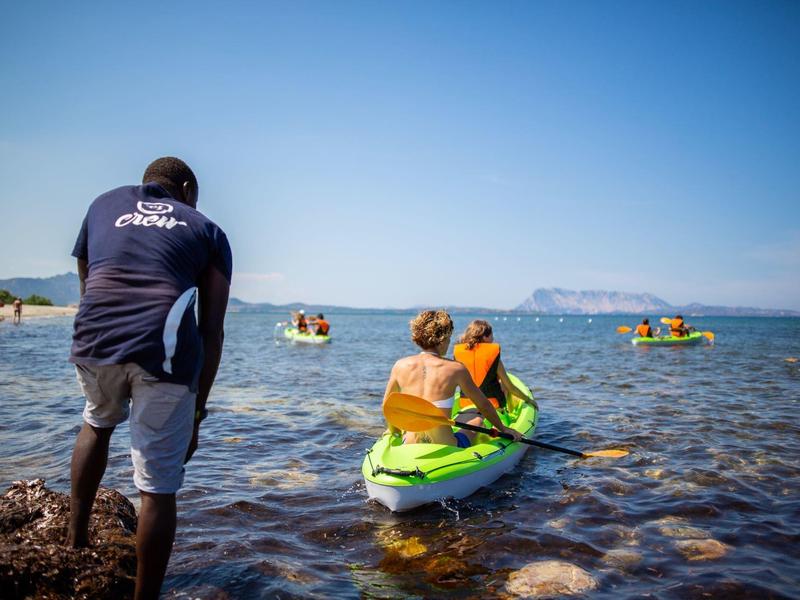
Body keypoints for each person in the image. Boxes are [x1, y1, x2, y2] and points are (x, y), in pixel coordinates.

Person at [66, 157, 232, 600]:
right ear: (188, 189)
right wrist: (198, 409)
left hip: (95, 337)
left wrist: (100, 321)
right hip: (164, 350)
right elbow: (211, 329)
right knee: (157, 487)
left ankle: (74, 540)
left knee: (96, 423)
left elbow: (87, 270)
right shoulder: (205, 228)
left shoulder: (102, 204)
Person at [382, 310, 521, 447]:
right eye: (448, 338)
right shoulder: (456, 369)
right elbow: (483, 405)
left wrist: (394, 431)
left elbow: (387, 406)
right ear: (442, 340)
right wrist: (504, 429)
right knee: (477, 421)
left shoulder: (400, 366)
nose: (449, 343)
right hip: (446, 445)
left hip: (410, 443)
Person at [453, 320, 536, 431]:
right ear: (485, 337)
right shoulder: (492, 356)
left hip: (466, 407)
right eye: (492, 335)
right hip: (493, 409)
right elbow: (510, 387)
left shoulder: (459, 353)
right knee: (504, 385)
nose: (493, 339)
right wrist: (529, 400)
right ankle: (508, 413)